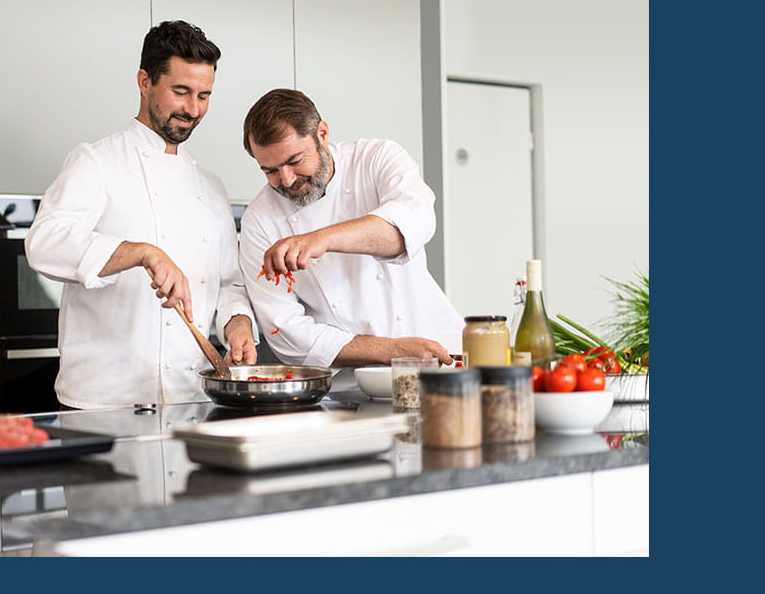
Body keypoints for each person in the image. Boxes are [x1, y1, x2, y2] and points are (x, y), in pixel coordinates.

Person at [25, 20, 258, 409]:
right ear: (145, 81)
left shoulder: (212, 187)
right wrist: (140, 252)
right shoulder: (96, 162)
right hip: (102, 402)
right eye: (180, 92)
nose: (193, 109)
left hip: (190, 400)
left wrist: (239, 327)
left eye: (204, 95)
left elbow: (230, 285)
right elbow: (44, 244)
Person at [238, 88, 462, 390]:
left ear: (322, 133)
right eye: (270, 170)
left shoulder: (377, 158)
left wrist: (322, 239)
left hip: (442, 362)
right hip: (354, 390)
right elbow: (287, 334)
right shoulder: (259, 220)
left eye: (295, 160)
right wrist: (392, 351)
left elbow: (412, 226)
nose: (287, 180)